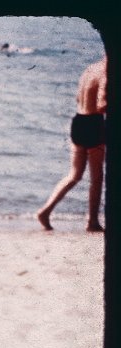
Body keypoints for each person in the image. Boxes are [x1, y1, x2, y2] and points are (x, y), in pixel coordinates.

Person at [36, 56, 107, 232]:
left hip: (78, 120)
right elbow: (102, 105)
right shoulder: (107, 73)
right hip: (94, 123)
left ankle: (45, 211)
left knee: (74, 174)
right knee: (96, 178)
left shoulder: (90, 69)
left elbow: (78, 98)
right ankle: (92, 222)